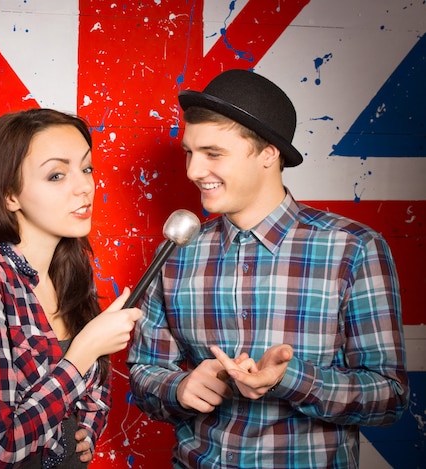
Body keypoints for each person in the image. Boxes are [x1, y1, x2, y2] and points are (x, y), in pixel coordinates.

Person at [126, 69, 409, 468]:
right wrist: (179, 387)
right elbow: (144, 370)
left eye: (213, 153)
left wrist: (288, 380)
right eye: (190, 152)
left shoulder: (354, 249)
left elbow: (390, 397)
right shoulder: (177, 251)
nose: (192, 171)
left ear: (267, 153)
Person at [0, 108, 142, 468]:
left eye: (87, 168)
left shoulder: (72, 273)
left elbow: (96, 394)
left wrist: (86, 431)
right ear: (10, 195)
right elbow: (0, 446)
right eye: (57, 174)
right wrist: (83, 352)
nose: (85, 186)